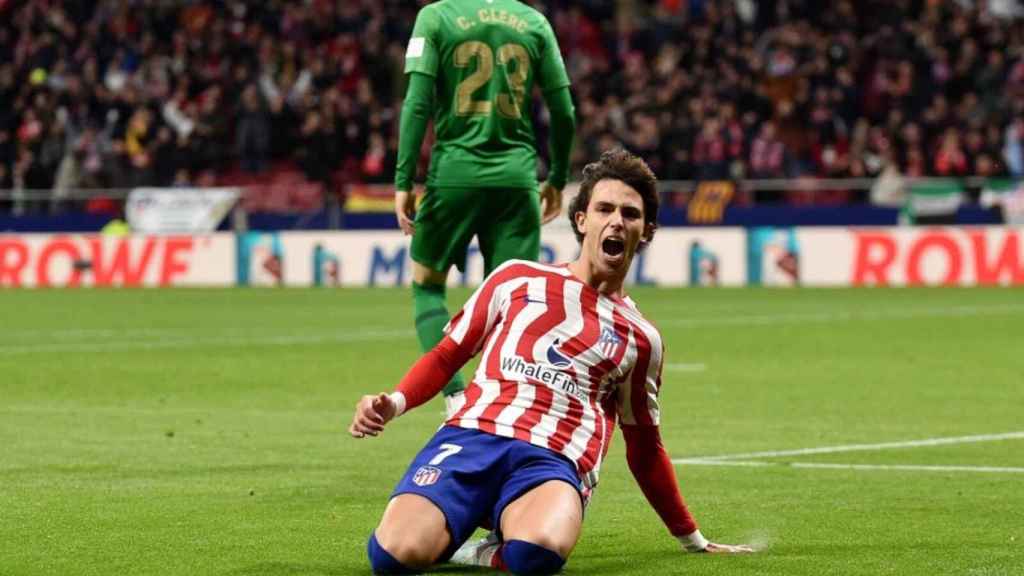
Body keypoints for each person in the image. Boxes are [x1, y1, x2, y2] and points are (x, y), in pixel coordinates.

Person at [352, 150, 754, 575]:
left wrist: (692, 537)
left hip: (552, 462)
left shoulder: (641, 339)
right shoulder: (516, 279)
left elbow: (644, 446)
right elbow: (448, 353)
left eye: (630, 213)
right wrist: (393, 403)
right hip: (471, 438)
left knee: (536, 555)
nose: (616, 220)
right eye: (604, 208)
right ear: (582, 220)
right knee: (392, 557)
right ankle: (452, 527)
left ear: (646, 230)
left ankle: (475, 550)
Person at [394, 0, 576, 414]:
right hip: (516, 180)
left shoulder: (435, 17)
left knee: (426, 285)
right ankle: (503, 405)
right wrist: (558, 178)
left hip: (453, 175)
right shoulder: (534, 23)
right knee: (515, 302)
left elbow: (417, 104)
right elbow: (564, 111)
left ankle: (457, 398)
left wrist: (403, 179)